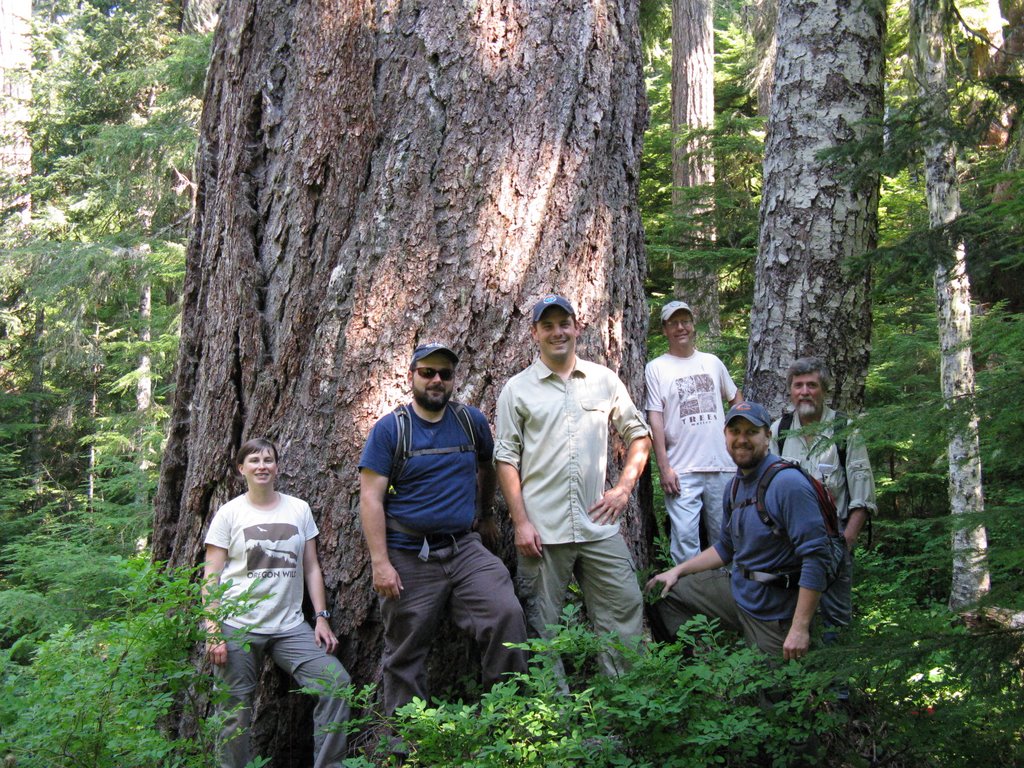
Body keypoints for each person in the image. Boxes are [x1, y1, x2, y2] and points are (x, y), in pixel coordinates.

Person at [358, 342, 528, 716]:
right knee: (405, 650)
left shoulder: (470, 422)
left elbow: (486, 466)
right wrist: (380, 563)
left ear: (453, 380)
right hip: (409, 554)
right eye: (428, 372)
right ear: (411, 376)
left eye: (445, 374)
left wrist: (486, 514)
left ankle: (508, 717)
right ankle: (406, 737)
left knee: (505, 614)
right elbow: (370, 499)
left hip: (464, 547)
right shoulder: (391, 430)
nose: (437, 380)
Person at [495, 295, 652, 676]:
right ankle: (553, 706)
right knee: (540, 627)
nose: (557, 332)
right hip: (542, 532)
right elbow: (506, 459)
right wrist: (521, 523)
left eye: (564, 324)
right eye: (547, 326)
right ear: (534, 333)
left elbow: (640, 435)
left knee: (624, 607)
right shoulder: (517, 389)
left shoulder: (603, 380)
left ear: (577, 328)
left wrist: (623, 489)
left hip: (597, 526)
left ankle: (625, 696)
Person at [203, 438, 350, 768]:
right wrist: (213, 630)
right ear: (241, 469)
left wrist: (321, 617)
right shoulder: (229, 514)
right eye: (254, 460)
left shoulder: (298, 509)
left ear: (277, 467)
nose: (262, 466)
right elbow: (210, 578)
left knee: (336, 684)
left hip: (289, 627)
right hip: (238, 627)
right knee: (234, 713)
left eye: (268, 460)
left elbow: (311, 567)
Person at [645, 401, 830, 660]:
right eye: (735, 431)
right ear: (725, 435)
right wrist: (677, 570)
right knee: (662, 594)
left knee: (774, 685)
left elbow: (817, 557)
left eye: (751, 432)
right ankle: (697, 668)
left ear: (767, 436)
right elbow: (726, 547)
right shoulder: (734, 486)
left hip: (774, 611)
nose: (741, 439)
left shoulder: (787, 484)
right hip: (740, 592)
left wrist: (799, 628)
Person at [770, 356, 876, 635]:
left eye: (812, 385)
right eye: (798, 385)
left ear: (824, 390)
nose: (804, 392)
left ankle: (835, 663)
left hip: (833, 538)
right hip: (789, 541)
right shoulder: (778, 431)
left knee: (835, 621)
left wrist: (845, 543)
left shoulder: (844, 429)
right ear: (790, 391)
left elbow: (863, 496)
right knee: (790, 616)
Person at [645, 300, 743, 564]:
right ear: (665, 329)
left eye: (685, 321)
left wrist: (737, 440)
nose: (681, 328)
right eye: (673, 323)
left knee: (727, 540)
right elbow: (655, 418)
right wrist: (664, 468)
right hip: (682, 470)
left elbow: (736, 399)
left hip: (722, 465)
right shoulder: (656, 368)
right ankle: (689, 589)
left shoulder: (712, 363)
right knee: (685, 543)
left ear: (693, 325)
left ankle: (728, 589)